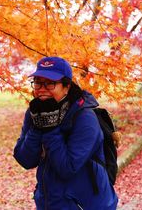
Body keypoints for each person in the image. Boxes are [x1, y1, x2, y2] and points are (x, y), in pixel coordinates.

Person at [13, 56, 118, 210]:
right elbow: (25, 160)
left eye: (50, 83)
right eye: (37, 82)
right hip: (51, 202)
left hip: (85, 205)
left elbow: (67, 168)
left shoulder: (84, 118)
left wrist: (49, 129)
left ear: (66, 87)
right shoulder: (36, 112)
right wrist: (37, 127)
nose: (41, 89)